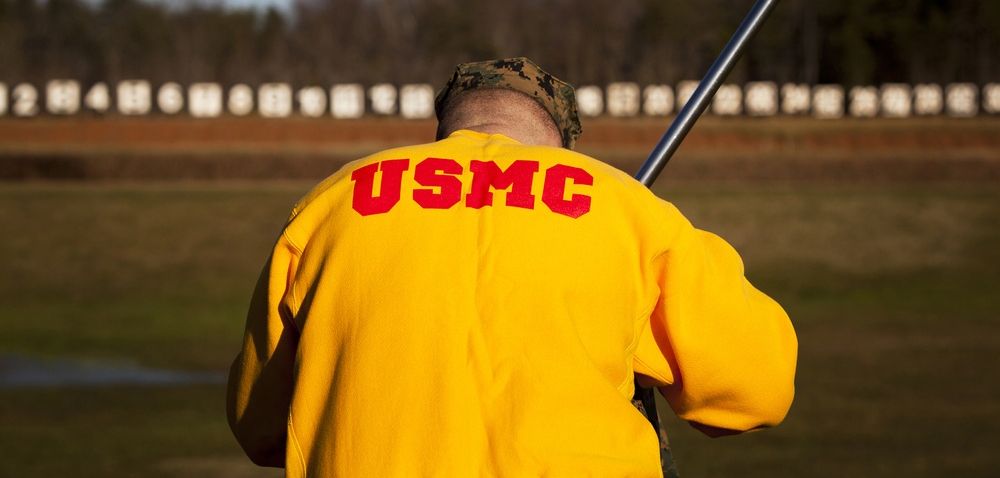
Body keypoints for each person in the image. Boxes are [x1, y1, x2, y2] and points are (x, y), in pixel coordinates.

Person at [226, 57, 797, 477]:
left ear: (447, 127)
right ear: (561, 139)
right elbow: (757, 390)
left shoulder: (331, 205)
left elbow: (260, 424)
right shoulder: (627, 211)